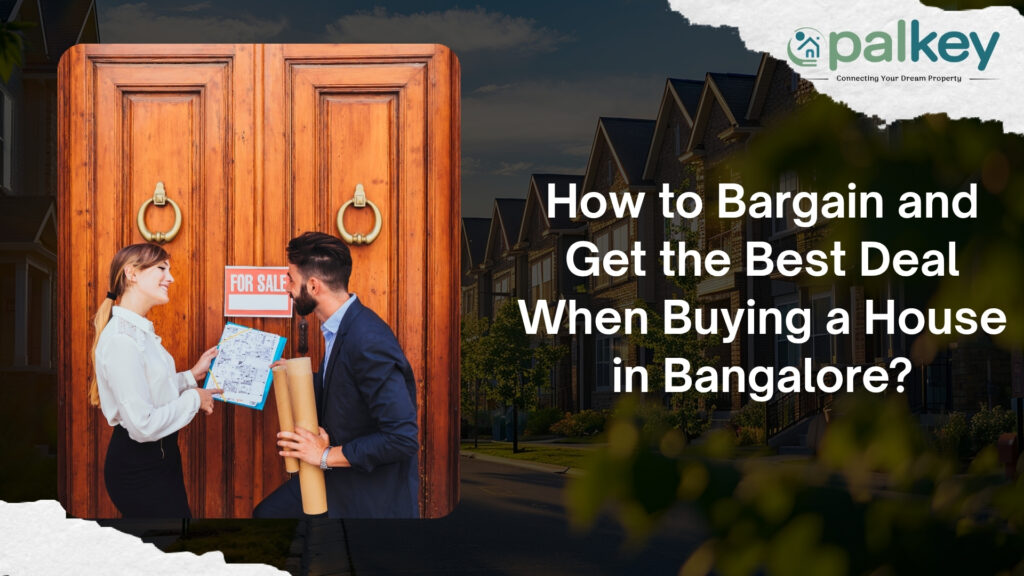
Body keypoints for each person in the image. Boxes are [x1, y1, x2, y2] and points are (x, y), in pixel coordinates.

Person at [254, 231, 419, 518]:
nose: (286, 287)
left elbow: (402, 438)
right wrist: (291, 377)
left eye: (291, 279)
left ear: (314, 286)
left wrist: (324, 456)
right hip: (337, 479)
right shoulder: (339, 328)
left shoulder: (368, 339)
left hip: (368, 495)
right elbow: (347, 385)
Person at [91, 243, 222, 518]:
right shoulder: (122, 340)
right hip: (139, 469)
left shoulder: (138, 332)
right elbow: (142, 425)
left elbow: (151, 389)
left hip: (161, 458)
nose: (170, 277)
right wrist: (194, 398)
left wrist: (192, 375)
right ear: (132, 274)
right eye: (162, 268)